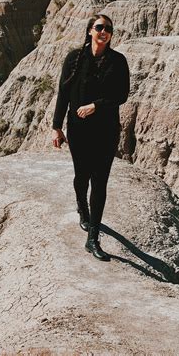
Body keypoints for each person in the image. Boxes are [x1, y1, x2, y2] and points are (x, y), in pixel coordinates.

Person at [52, 14, 130, 261]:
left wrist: (95, 105)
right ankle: (81, 207)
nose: (104, 31)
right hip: (78, 131)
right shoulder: (74, 59)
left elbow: (121, 95)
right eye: (99, 27)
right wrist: (56, 127)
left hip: (106, 131)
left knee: (100, 183)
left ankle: (93, 237)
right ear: (89, 31)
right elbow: (63, 94)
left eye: (108, 28)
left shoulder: (118, 62)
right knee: (81, 177)